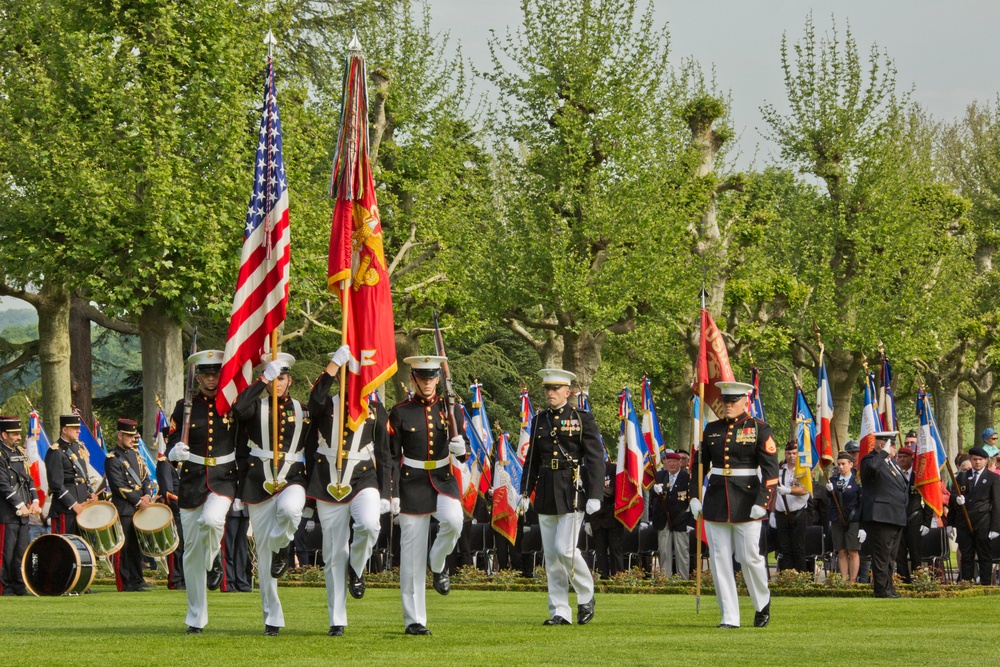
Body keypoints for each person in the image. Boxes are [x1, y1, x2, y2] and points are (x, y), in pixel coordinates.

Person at [306, 345, 392, 637]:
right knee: (333, 552)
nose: (352, 380)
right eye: (347, 375)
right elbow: (313, 401)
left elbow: (385, 452)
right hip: (327, 480)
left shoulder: (377, 410)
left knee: (369, 525)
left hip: (363, 478)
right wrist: (332, 366)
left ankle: (357, 568)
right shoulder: (326, 405)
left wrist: (387, 493)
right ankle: (337, 619)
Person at [389, 355, 469, 636]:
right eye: (422, 378)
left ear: (438, 379)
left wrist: (462, 449)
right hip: (411, 483)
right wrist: (392, 492)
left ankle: (438, 562)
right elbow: (390, 456)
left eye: (432, 377)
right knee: (411, 555)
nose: (427, 382)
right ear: (413, 379)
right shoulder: (400, 411)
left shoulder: (452, 409)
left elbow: (464, 448)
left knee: (454, 521)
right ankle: (414, 620)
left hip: (443, 479)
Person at [688, 380, 778, 629]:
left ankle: (762, 602)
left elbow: (771, 471)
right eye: (725, 401)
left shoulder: (759, 428)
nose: (727, 405)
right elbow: (699, 466)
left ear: (744, 401)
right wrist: (694, 496)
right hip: (716, 500)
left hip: (748, 500)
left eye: (733, 401)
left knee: (749, 558)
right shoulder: (711, 429)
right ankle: (730, 616)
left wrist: (764, 501)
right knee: (719, 560)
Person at [232, 352, 309, 637]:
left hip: (292, 477)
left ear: (290, 380)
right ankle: (272, 618)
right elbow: (238, 409)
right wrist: (262, 378)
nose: (277, 382)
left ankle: (284, 543)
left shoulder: (304, 410)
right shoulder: (255, 407)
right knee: (264, 556)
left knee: (290, 511)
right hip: (258, 481)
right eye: (273, 377)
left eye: (282, 377)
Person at [520, 368, 605, 626]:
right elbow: (532, 460)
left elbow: (595, 458)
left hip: (572, 490)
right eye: (547, 389)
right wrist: (525, 490)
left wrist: (596, 493)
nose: (550, 393)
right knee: (552, 556)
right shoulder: (539, 420)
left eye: (555, 389)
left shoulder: (582, 418)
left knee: (565, 549)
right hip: (546, 489)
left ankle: (585, 593)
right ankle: (559, 610)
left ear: (568, 392)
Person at [166, 349, 239, 632]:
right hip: (192, 480)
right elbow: (170, 439)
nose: (211, 379)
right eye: (206, 374)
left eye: (216, 373)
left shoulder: (231, 404)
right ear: (198, 377)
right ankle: (196, 617)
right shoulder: (184, 406)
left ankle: (214, 557)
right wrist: (176, 450)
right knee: (192, 552)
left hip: (223, 478)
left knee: (212, 520)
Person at [105, 418, 155, 592]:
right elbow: (118, 486)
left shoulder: (137, 456)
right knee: (124, 548)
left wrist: (148, 495)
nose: (133, 439)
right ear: (120, 436)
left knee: (137, 547)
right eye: (129, 436)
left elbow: (146, 479)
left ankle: (137, 579)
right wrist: (139, 500)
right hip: (125, 509)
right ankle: (125, 581)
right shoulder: (112, 459)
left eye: (134, 436)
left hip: (140, 508)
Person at [859, 431, 907, 598]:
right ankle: (881, 590)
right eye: (891, 445)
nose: (895, 448)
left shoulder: (890, 464)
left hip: (895, 516)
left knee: (890, 557)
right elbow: (871, 468)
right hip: (881, 516)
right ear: (882, 444)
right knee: (881, 557)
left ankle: (889, 588)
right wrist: (883, 453)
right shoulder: (870, 460)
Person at [0, 416, 40, 595]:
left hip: (23, 513)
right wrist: (20, 504)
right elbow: (3, 485)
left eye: (19, 433)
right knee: (5, 553)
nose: (18, 437)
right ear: (3, 434)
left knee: (20, 552)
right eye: (14, 434)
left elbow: (29, 479)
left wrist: (35, 500)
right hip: (6, 513)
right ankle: (4, 587)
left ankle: (18, 585)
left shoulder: (22, 453)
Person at [949, 446, 1000, 584]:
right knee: (966, 555)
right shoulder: (963, 476)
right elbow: (952, 497)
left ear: (986, 460)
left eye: (981, 459)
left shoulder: (993, 478)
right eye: (975, 459)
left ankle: (985, 583)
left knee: (984, 555)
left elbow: (997, 503)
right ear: (970, 460)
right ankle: (966, 582)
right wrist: (956, 501)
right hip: (964, 521)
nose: (978, 462)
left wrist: (995, 527)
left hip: (983, 521)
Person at [45, 414, 96, 535]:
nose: (79, 430)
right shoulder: (55, 452)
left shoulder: (79, 447)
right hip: (66, 509)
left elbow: (84, 475)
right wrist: (73, 505)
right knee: (65, 546)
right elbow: (56, 484)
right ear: (64, 430)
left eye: (78, 427)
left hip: (83, 505)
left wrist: (91, 492)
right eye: (74, 428)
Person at [894, 435, 933, 584]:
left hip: (915, 518)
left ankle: (919, 580)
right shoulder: (895, 475)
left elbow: (929, 498)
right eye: (900, 457)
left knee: (916, 553)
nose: (902, 459)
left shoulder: (919, 476)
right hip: (898, 519)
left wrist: (927, 522)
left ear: (912, 459)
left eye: (905, 457)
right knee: (900, 553)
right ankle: (904, 580)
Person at [650, 452, 692, 579]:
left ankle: (683, 580)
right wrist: (654, 490)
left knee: (682, 551)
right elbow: (651, 494)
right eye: (669, 461)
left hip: (680, 519)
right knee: (664, 551)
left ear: (680, 463)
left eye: (675, 461)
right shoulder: (659, 475)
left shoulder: (686, 477)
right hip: (663, 519)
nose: (672, 464)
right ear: (664, 463)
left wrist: (690, 521)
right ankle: (665, 579)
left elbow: (689, 500)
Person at [773, 441, 810, 572]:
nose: (791, 456)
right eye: (789, 453)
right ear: (785, 454)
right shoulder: (779, 470)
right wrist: (772, 512)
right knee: (784, 548)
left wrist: (788, 491)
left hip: (798, 513)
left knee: (798, 548)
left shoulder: (803, 470)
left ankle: (801, 579)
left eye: (794, 453)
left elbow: (805, 489)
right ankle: (787, 579)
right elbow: (772, 491)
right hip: (781, 513)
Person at [825, 451, 862, 581]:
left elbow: (860, 502)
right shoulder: (833, 480)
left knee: (852, 551)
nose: (841, 467)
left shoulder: (857, 480)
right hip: (837, 519)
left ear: (851, 464)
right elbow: (830, 498)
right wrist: (829, 490)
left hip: (852, 520)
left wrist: (861, 524)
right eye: (839, 464)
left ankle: (852, 581)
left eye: (843, 464)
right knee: (841, 551)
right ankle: (843, 580)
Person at [586, 473, 622, 580]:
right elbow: (586, 497)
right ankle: (603, 577)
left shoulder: (614, 469)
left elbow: (611, 492)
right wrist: (587, 520)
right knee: (600, 550)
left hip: (613, 517)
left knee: (615, 549)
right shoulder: (590, 471)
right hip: (597, 519)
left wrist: (595, 490)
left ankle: (618, 577)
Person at [221, 495, 252, 593]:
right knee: (228, 548)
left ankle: (241, 582)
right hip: (229, 507)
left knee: (242, 549)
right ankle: (227, 582)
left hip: (245, 508)